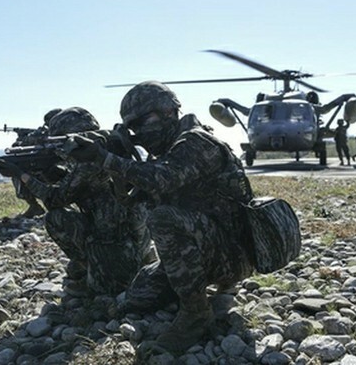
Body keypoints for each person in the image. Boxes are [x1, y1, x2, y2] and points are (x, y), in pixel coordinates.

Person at [62, 81, 255, 353]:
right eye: (132, 127)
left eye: (141, 122)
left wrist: (105, 158)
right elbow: (130, 199)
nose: (138, 132)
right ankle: (195, 289)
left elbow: (160, 180)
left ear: (168, 112)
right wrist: (119, 158)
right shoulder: (167, 152)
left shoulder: (196, 142)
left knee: (162, 218)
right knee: (137, 297)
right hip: (204, 251)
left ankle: (196, 313)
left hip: (232, 257)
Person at [0, 106, 155, 295]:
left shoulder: (89, 162)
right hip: (137, 238)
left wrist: (21, 175)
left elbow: (55, 200)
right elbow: (81, 184)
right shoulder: (110, 147)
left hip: (116, 248)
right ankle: (137, 259)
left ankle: (94, 267)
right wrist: (47, 172)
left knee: (56, 218)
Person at [10, 108, 63, 218]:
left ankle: (49, 206)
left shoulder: (53, 134)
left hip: (61, 171)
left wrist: (26, 137)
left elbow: (22, 143)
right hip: (58, 170)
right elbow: (17, 146)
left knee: (22, 173)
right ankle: (35, 207)